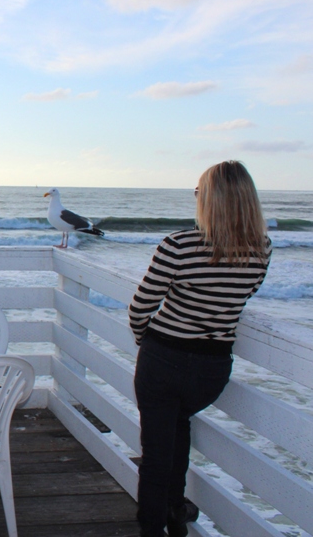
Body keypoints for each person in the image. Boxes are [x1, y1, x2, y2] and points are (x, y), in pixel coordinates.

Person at [128, 160, 271, 537]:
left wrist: (147, 341)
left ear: (208, 199)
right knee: (178, 430)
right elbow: (243, 296)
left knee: (157, 452)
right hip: (212, 369)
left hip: (164, 358)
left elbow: (142, 305)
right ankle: (176, 515)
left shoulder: (179, 244)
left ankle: (151, 528)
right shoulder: (261, 249)